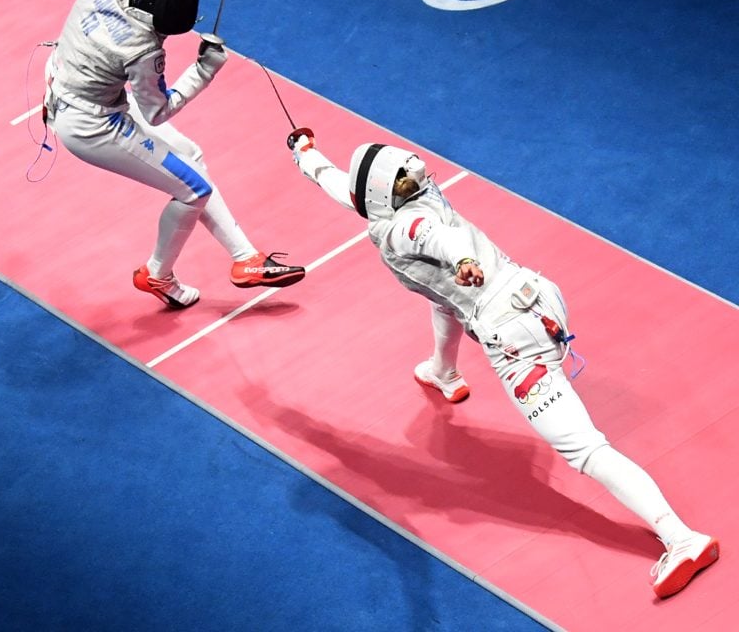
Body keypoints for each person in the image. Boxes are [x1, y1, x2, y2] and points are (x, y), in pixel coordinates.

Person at [285, 128, 719, 599]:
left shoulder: (400, 228)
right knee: (445, 301)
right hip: (538, 294)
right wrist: (306, 155)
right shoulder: (417, 192)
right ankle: (442, 370)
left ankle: (682, 540)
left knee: (584, 450)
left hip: (513, 338)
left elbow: (437, 237)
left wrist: (465, 259)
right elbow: (347, 188)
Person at [42, 0, 306, 309]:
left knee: (192, 159)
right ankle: (158, 275)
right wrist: (204, 70)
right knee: (193, 188)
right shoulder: (143, 48)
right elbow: (158, 110)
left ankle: (245, 258)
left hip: (76, 88)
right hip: (92, 125)